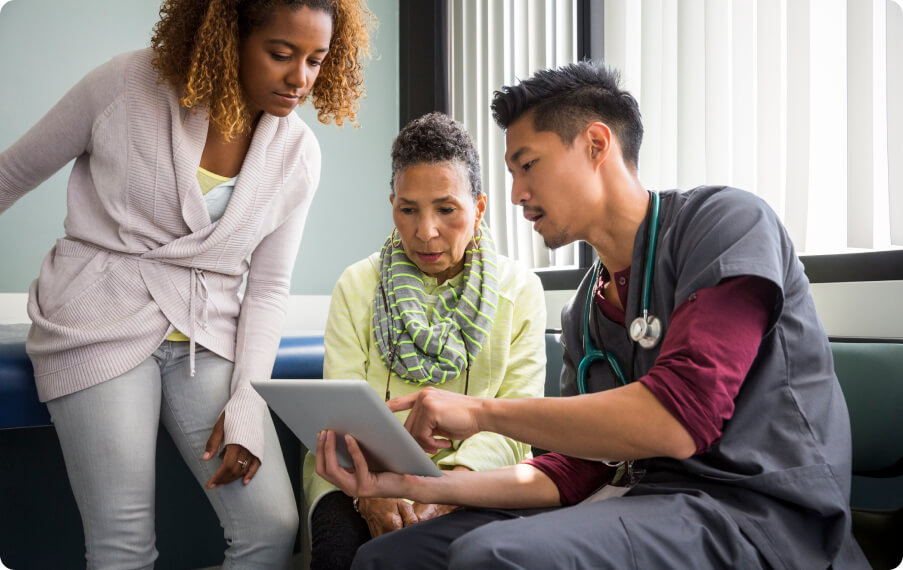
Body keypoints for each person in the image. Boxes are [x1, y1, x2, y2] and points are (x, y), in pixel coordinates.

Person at [315, 62, 871, 569]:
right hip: (647, 503)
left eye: (527, 165)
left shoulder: (726, 223)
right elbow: (574, 469)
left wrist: (482, 412)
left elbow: (678, 421)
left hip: (760, 514)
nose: (516, 194)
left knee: (491, 557)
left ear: (596, 143)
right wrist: (419, 485)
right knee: (389, 560)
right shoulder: (586, 309)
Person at [0, 0, 372, 567]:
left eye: (316, 61)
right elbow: (11, 174)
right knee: (124, 545)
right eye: (281, 54)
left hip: (206, 337)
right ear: (229, 36)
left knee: (272, 527)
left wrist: (247, 400)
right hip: (98, 319)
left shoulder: (298, 154)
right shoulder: (126, 86)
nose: (300, 79)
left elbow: (269, 288)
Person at [303, 112, 547, 569]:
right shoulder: (357, 285)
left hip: (480, 475)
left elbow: (518, 423)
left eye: (446, 209)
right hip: (356, 473)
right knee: (341, 554)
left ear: (478, 206)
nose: (425, 231)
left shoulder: (520, 290)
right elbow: (340, 415)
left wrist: (448, 487)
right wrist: (371, 494)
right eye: (408, 209)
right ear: (391, 202)